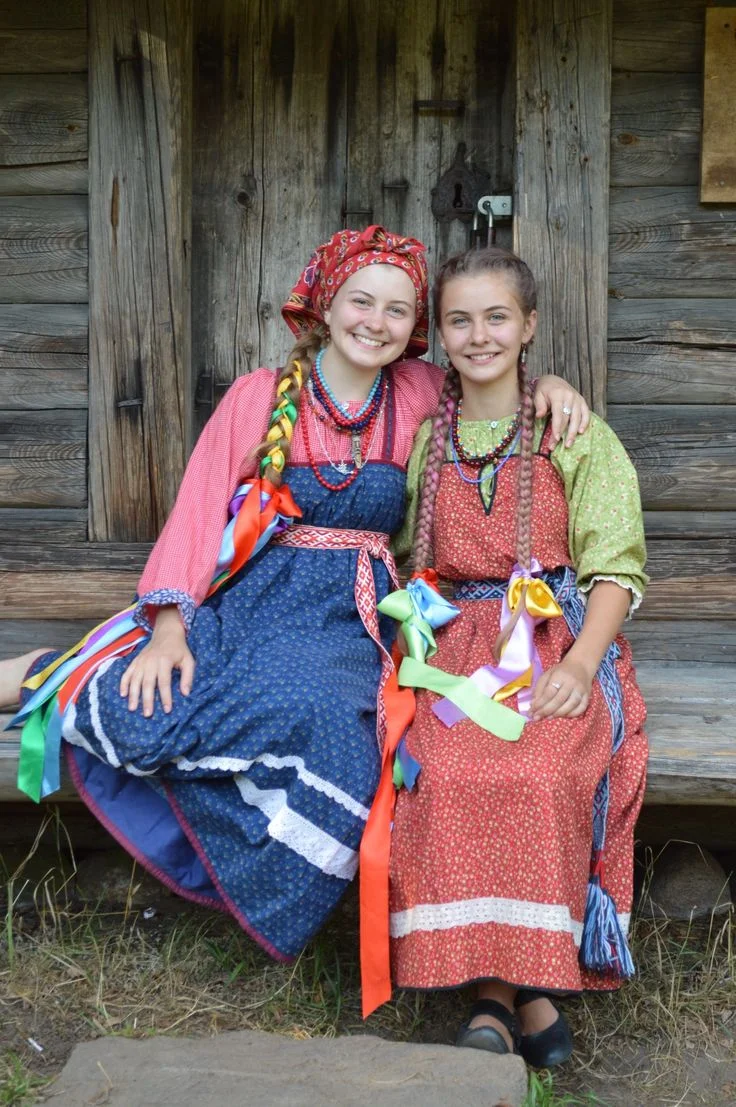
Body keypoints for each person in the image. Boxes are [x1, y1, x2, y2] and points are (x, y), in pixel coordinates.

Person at [1, 227, 588, 967]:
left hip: (355, 617)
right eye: (361, 302)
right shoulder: (261, 395)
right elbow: (198, 511)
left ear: (415, 329)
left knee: (333, 729)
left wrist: (549, 386)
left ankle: (271, 883)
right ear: (325, 306)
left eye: (398, 310)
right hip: (258, 601)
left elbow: (493, 387)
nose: (376, 322)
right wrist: (171, 627)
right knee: (163, 695)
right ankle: (43, 673)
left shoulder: (418, 392)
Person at [378, 245, 648, 1065]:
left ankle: (502, 994)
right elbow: (401, 554)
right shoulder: (429, 440)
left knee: (539, 767)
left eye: (497, 317)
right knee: (445, 769)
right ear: (439, 334)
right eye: (459, 320)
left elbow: (615, 569)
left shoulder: (572, 430)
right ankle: (519, 993)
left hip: (552, 639)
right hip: (454, 649)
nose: (479, 335)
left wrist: (579, 665)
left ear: (528, 326)